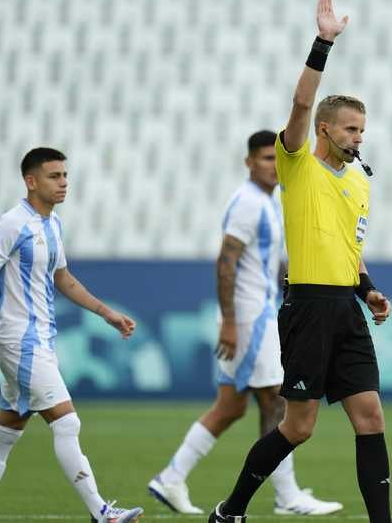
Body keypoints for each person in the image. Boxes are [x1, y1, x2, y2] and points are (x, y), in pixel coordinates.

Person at [208, 0, 392, 523]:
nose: (358, 137)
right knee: (299, 426)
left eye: (362, 129)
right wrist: (323, 44)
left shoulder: (359, 181)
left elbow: (349, 250)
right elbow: (299, 105)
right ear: (325, 130)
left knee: (371, 416)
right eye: (349, 128)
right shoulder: (297, 166)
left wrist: (369, 290)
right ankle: (232, 508)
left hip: (347, 310)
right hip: (308, 308)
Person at [149, 132, 341, 516]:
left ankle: (171, 478)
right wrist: (231, 322)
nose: (273, 164)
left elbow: (265, 261)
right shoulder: (247, 204)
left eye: (276, 158)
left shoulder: (268, 202)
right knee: (277, 400)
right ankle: (286, 495)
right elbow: (226, 262)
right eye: (265, 158)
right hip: (251, 318)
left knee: (231, 407)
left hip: (259, 312)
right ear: (249, 162)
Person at [0, 147, 143, 523]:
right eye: (54, 176)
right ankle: (101, 512)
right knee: (67, 422)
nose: (63, 183)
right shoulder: (12, 224)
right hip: (19, 340)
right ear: (31, 181)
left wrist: (107, 313)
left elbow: (64, 279)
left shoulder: (53, 223)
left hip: (39, 340)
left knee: (8, 427)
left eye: (65, 176)